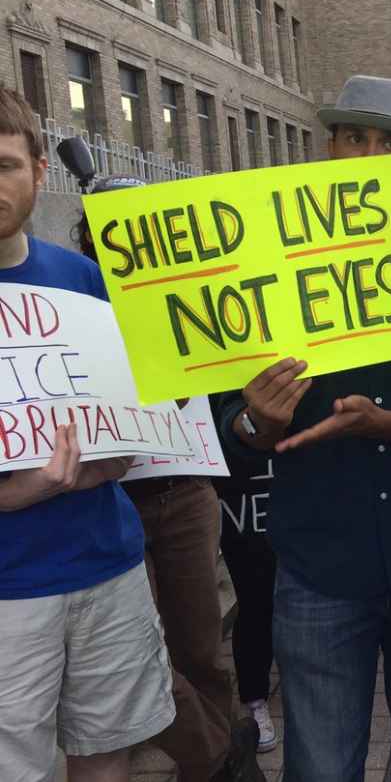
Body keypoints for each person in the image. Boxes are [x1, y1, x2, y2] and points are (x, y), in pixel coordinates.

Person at [217, 75, 391, 782]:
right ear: (329, 149)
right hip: (319, 566)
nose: (371, 155)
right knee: (319, 767)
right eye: (355, 137)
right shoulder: (267, 275)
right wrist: (257, 417)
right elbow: (231, 425)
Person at [0, 87, 177, 782]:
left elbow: (131, 427)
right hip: (9, 593)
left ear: (40, 171)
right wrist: (21, 495)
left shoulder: (88, 284)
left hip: (107, 568)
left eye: (7, 165)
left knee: (107, 757)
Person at [78, 174, 266, 780]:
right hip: (110, 498)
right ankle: (218, 753)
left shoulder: (190, 298)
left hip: (185, 492)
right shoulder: (73, 306)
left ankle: (206, 763)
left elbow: (210, 392)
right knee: (142, 651)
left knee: (199, 648)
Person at [209, 401, 280, 756]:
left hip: (289, 483)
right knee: (255, 600)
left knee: (305, 594)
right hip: (238, 493)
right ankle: (254, 698)